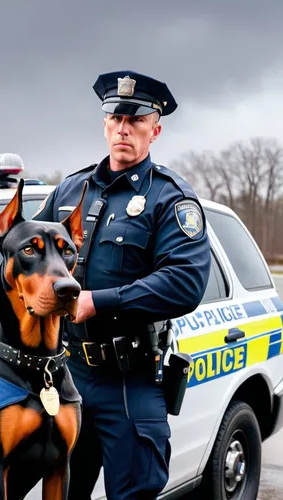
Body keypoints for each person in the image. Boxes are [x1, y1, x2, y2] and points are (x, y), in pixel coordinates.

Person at [32, 70, 212, 499]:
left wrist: (99, 301)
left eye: (136, 120)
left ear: (156, 129)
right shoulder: (70, 190)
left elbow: (185, 281)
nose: (124, 128)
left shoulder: (169, 198)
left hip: (130, 382)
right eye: (116, 118)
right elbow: (31, 252)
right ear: (105, 124)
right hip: (69, 374)